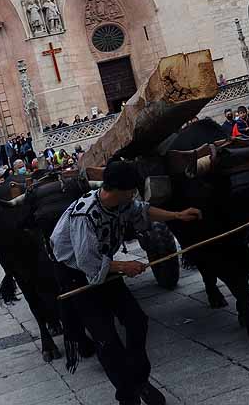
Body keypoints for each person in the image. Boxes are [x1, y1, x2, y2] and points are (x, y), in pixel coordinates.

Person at [50, 161, 202, 405]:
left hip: (104, 265)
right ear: (117, 189)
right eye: (131, 190)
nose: (134, 194)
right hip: (76, 274)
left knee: (136, 321)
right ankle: (127, 396)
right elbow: (86, 260)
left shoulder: (122, 203)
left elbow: (143, 210)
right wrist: (124, 266)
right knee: (107, 339)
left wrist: (177, 215)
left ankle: (139, 379)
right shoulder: (85, 213)